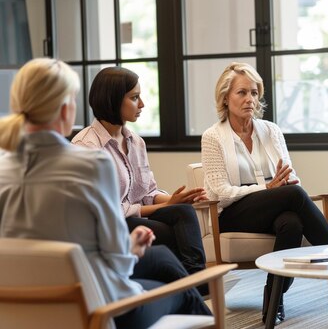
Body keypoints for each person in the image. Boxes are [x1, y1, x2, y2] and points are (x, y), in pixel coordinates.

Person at [0, 58, 210, 329]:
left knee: (163, 259)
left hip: (21, 308)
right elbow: (118, 264)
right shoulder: (90, 162)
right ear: (65, 109)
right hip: (98, 308)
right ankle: (203, 290)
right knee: (177, 283)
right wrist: (131, 249)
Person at [201, 62, 328, 324]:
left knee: (292, 222)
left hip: (272, 207)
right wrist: (267, 188)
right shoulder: (213, 137)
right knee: (295, 196)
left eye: (254, 92)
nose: (250, 99)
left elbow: (290, 175)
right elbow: (221, 192)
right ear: (225, 98)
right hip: (230, 213)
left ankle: (273, 297)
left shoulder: (271, 130)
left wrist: (280, 186)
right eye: (242, 93)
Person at [71, 67, 209, 295]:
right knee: (164, 232)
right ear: (113, 100)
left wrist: (176, 199)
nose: (142, 104)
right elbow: (115, 209)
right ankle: (190, 288)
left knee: (184, 211)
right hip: (112, 223)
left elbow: (147, 192)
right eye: (135, 98)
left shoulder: (136, 141)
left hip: (136, 213)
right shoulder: (87, 147)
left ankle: (198, 282)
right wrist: (166, 205)